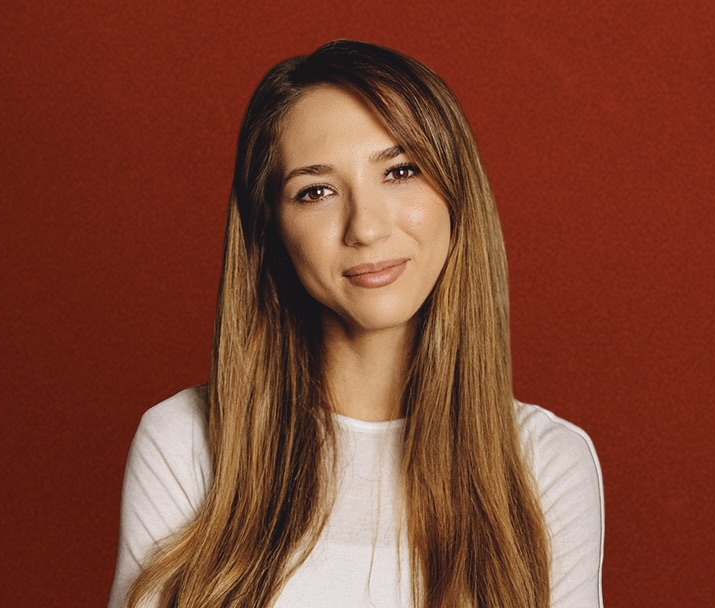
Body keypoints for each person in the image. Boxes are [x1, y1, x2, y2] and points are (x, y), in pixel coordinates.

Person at [108, 40, 603, 608]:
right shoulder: (184, 443)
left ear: (458, 193)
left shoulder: (545, 465)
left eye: (400, 170)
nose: (365, 228)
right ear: (272, 230)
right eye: (315, 191)